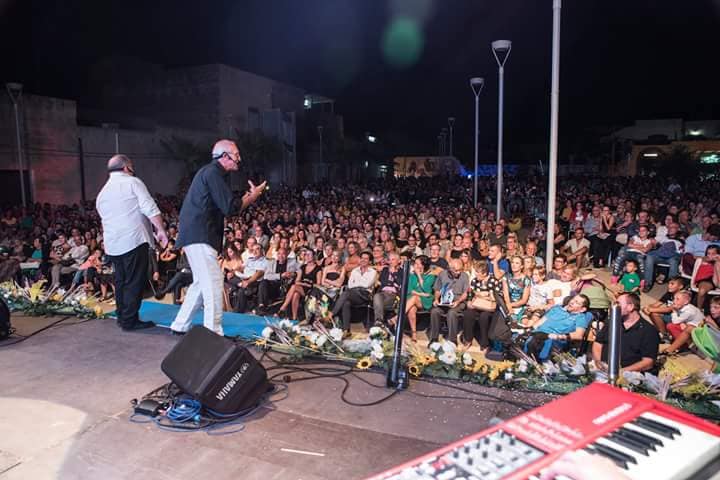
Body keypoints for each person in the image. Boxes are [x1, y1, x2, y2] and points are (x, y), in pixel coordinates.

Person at [169, 140, 265, 335]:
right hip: (200, 234)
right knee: (213, 281)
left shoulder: (209, 173)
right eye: (236, 155)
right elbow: (230, 208)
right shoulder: (213, 173)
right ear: (224, 157)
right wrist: (252, 197)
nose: (239, 158)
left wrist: (247, 198)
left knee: (200, 283)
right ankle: (213, 331)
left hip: (195, 235)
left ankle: (180, 325)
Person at [96, 154, 168, 331]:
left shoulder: (103, 192)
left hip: (113, 243)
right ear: (126, 168)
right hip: (133, 240)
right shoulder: (132, 183)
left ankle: (122, 316)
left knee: (121, 280)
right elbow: (149, 207)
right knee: (134, 281)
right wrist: (161, 230)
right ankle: (130, 320)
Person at [592, 292, 659, 372]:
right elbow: (598, 343)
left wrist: (621, 372)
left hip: (628, 376)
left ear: (630, 307)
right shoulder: (611, 322)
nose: (614, 307)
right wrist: (599, 362)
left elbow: (648, 362)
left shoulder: (649, 331)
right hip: (602, 370)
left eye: (618, 304)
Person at [331, 251, 378, 333]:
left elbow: (366, 285)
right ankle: (346, 330)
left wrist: (357, 283)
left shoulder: (373, 272)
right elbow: (350, 285)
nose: (363, 260)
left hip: (365, 295)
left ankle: (332, 314)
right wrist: (359, 284)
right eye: (362, 258)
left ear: (370, 261)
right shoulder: (355, 271)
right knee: (346, 302)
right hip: (353, 293)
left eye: (366, 259)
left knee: (346, 293)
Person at [429, 258, 469, 345]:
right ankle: (434, 338)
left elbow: (465, 293)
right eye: (456, 271)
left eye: (460, 270)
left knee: (452, 313)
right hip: (444, 301)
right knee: (434, 311)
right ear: (450, 269)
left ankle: (452, 340)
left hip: (458, 301)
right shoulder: (442, 274)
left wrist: (457, 302)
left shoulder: (464, 276)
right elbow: (437, 289)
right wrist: (436, 299)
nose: (459, 272)